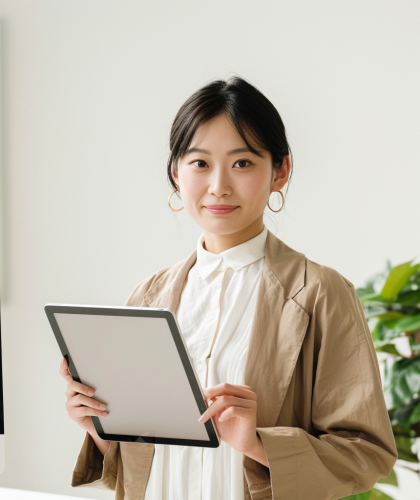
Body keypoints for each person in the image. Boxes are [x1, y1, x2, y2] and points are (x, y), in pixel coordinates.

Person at [59, 76, 398, 500]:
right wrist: (100, 427)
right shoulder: (148, 296)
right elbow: (143, 466)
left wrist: (257, 442)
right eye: (199, 163)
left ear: (280, 170)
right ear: (175, 173)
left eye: (242, 163)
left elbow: (366, 453)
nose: (219, 185)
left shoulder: (321, 293)